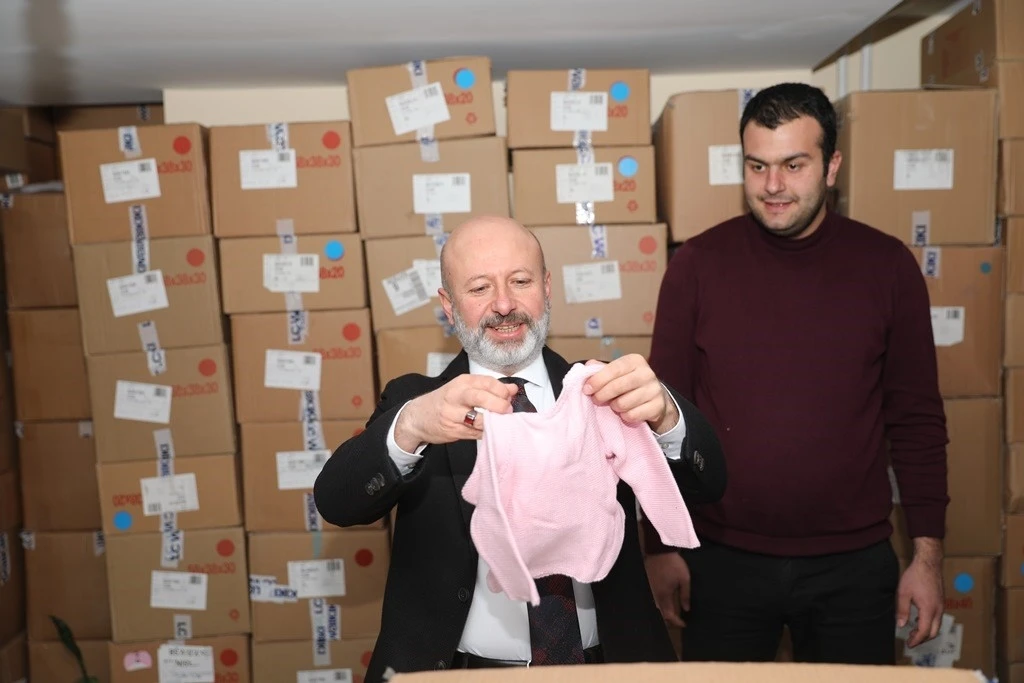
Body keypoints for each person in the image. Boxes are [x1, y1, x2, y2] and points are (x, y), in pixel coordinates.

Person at [314, 215, 726, 681]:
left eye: (521, 281)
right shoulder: (418, 403)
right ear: (448, 305)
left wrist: (668, 416)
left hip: (609, 665)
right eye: (479, 288)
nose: (504, 304)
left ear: (546, 288)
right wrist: (409, 427)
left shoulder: (604, 392)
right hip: (460, 671)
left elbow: (710, 483)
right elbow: (337, 501)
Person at [641, 82, 949, 664]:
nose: (773, 185)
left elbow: (916, 420)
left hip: (853, 566)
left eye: (793, 165)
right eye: (757, 166)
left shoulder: (887, 267)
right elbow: (658, 419)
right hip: (721, 562)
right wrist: (660, 546)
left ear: (832, 166)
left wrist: (928, 558)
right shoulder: (697, 266)